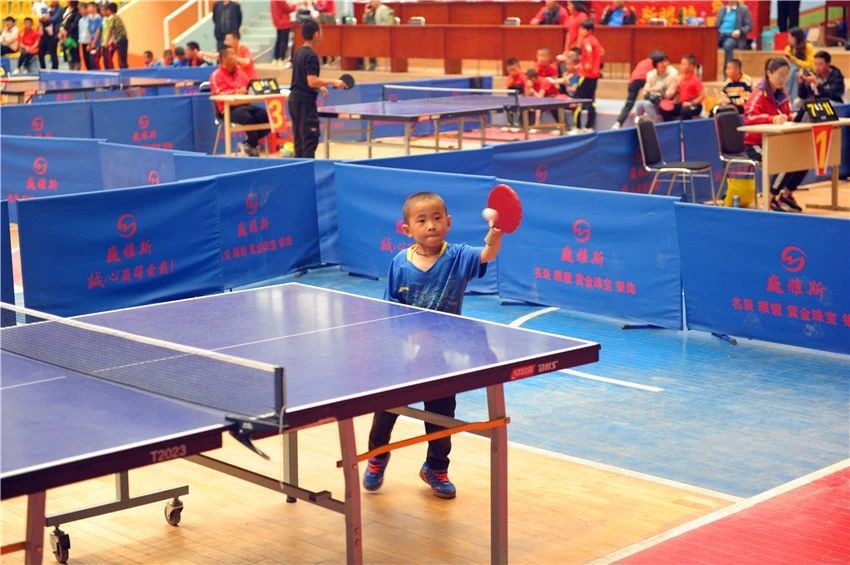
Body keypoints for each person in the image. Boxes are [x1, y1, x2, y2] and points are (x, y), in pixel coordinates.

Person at [362, 191, 503, 499]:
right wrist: (408, 336)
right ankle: (377, 455)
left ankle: (436, 468)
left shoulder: (458, 256)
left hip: (442, 355)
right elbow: (389, 309)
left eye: (437, 218)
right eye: (422, 220)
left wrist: (495, 234)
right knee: (386, 409)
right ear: (407, 229)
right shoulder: (400, 263)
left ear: (448, 222)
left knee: (442, 415)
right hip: (403, 352)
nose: (431, 225)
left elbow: (487, 254)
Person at [743, 58, 807, 213]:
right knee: (786, 161)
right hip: (756, 144)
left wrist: (791, 117)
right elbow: (749, 117)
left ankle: (786, 196)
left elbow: (784, 116)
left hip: (776, 142)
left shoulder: (782, 94)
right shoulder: (758, 93)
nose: (783, 79)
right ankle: (769, 199)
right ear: (769, 73)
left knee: (804, 158)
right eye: (780, 75)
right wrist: (771, 119)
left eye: (786, 76)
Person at [288, 20, 346, 158]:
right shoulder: (311, 55)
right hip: (305, 103)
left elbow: (303, 78)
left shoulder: (298, 52)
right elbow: (311, 81)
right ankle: (307, 170)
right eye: (321, 31)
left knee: (299, 142)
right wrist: (334, 82)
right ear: (316, 34)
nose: (322, 34)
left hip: (294, 101)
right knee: (309, 141)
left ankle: (300, 170)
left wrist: (320, 86)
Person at [210, 45, 270, 157]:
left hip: (245, 105)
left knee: (266, 117)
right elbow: (218, 93)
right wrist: (236, 92)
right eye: (232, 54)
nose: (235, 57)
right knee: (248, 118)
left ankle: (249, 144)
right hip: (228, 109)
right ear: (223, 58)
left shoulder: (241, 72)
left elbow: (251, 84)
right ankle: (251, 147)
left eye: (235, 54)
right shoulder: (216, 75)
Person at [611, 51, 659, 129]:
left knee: (629, 104)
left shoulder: (642, 62)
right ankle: (647, 116)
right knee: (649, 98)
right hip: (644, 80)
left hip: (633, 81)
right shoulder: (654, 63)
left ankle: (618, 123)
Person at [573, 19, 602, 130]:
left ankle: (577, 127)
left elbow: (589, 51)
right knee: (591, 101)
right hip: (594, 76)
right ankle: (589, 127)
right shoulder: (595, 40)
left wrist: (588, 63)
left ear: (589, 31)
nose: (580, 31)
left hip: (586, 75)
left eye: (582, 29)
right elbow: (601, 52)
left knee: (578, 101)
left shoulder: (586, 40)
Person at [633, 52, 678, 122]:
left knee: (647, 104)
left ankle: (655, 124)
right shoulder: (650, 74)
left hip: (667, 102)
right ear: (656, 64)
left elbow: (669, 94)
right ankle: (639, 125)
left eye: (666, 61)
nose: (664, 64)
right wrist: (656, 89)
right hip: (654, 100)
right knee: (639, 104)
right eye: (661, 62)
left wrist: (655, 91)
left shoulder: (673, 74)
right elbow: (645, 91)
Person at [660, 54, 704, 121]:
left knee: (685, 111)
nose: (681, 66)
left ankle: (686, 127)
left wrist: (691, 103)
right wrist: (674, 101)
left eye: (684, 64)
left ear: (691, 66)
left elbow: (702, 95)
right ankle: (673, 125)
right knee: (664, 109)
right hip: (682, 104)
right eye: (681, 64)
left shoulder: (696, 80)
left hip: (694, 105)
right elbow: (679, 93)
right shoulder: (681, 78)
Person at [715, 0, 752, 68]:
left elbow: (749, 26)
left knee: (728, 45)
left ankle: (728, 71)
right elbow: (716, 26)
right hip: (720, 35)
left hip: (733, 36)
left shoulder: (743, 9)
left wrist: (740, 31)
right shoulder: (722, 10)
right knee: (708, 44)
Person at [784, 27, 814, 102]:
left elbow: (810, 65)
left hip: (806, 71)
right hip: (792, 71)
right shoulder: (788, 48)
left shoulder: (808, 47)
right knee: (793, 71)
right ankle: (791, 98)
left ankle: (789, 97)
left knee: (795, 72)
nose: (788, 40)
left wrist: (796, 61)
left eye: (790, 38)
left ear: (796, 38)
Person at [362, 0, 394, 71]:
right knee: (361, 41)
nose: (371, 3)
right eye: (370, 2)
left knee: (370, 42)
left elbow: (389, 22)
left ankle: (373, 63)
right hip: (372, 34)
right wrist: (367, 13)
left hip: (382, 34)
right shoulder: (371, 11)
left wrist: (378, 27)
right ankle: (361, 64)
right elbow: (365, 22)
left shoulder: (384, 9)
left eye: (372, 1)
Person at [502, 57, 527, 132]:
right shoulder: (509, 78)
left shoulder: (523, 77)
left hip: (522, 97)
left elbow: (527, 89)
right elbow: (504, 89)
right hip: (512, 98)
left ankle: (518, 124)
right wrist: (508, 85)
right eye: (510, 70)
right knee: (507, 105)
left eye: (514, 70)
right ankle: (510, 123)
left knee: (519, 103)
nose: (512, 72)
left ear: (519, 68)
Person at [38, 0, 62, 70]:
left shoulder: (60, 9)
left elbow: (53, 19)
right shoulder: (48, 7)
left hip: (53, 34)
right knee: (41, 52)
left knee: (53, 53)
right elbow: (41, 17)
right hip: (45, 33)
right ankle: (43, 68)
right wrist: (43, 18)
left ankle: (54, 70)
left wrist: (45, 18)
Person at [103, 2, 127, 69]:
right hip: (122, 39)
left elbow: (110, 30)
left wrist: (107, 42)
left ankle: (125, 74)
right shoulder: (116, 17)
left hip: (120, 40)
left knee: (122, 61)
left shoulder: (112, 18)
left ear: (109, 10)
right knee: (122, 60)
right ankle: (125, 73)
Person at [270, 0, 294, 68]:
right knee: (284, 41)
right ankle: (281, 58)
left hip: (278, 22)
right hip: (284, 22)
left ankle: (276, 58)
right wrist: (296, 6)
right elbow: (288, 9)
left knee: (279, 40)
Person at [58, 0, 81, 70]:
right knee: (68, 55)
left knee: (75, 56)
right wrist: (60, 29)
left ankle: (77, 71)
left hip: (73, 36)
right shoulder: (64, 9)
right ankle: (70, 70)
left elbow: (75, 23)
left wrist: (67, 31)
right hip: (64, 36)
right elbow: (60, 21)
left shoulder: (77, 11)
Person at [86, 2, 102, 70]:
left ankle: (99, 75)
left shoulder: (98, 17)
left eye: (89, 7)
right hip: (91, 42)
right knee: (91, 61)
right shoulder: (90, 18)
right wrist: (89, 43)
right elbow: (89, 31)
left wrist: (94, 42)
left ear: (94, 8)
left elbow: (98, 31)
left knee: (95, 61)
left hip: (97, 42)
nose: (88, 9)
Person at [77, 2, 91, 69]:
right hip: (83, 43)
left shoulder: (91, 19)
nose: (80, 11)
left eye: (81, 9)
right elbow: (80, 32)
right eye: (79, 10)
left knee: (91, 62)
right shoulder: (80, 20)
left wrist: (90, 43)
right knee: (86, 61)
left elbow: (91, 32)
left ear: (86, 9)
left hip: (90, 43)